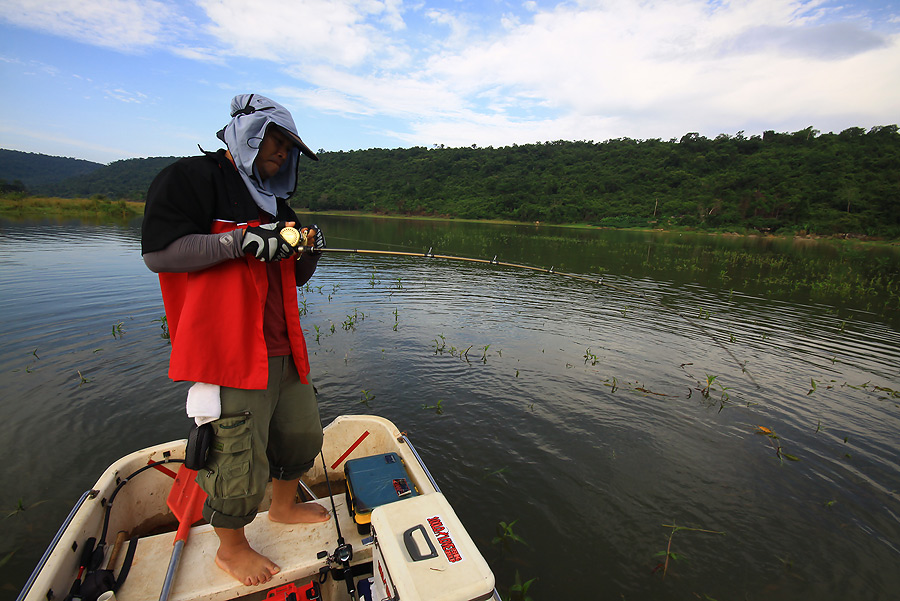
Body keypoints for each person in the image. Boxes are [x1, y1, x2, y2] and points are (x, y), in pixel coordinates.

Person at [141, 94, 330, 586]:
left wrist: (307, 246)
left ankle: (283, 508)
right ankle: (231, 547)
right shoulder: (192, 179)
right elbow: (160, 253)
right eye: (278, 141)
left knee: (301, 434)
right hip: (230, 352)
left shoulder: (277, 204)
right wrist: (239, 240)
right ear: (250, 131)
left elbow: (298, 277)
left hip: (284, 347)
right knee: (235, 459)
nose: (284, 154)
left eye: (290, 148)